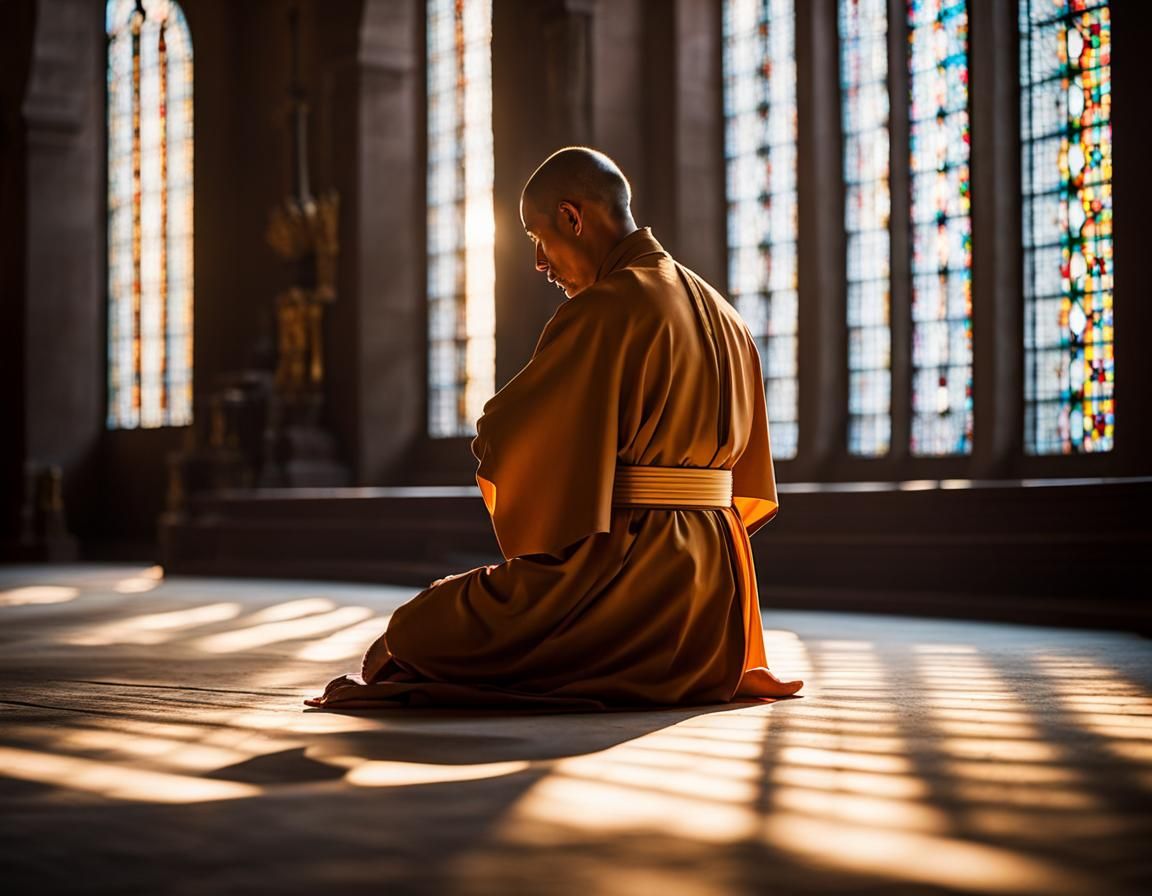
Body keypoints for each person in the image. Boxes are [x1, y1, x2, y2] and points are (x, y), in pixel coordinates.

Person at [305, 147, 803, 710]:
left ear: (573, 217)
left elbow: (509, 432)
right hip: (716, 608)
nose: (540, 262)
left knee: (410, 634)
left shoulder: (608, 306)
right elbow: (747, 475)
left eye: (538, 237)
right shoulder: (725, 313)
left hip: (625, 573)